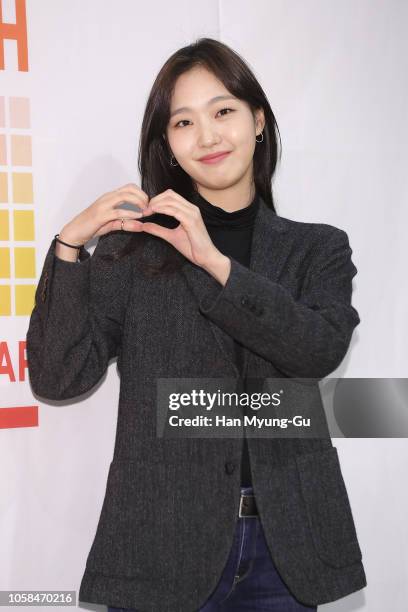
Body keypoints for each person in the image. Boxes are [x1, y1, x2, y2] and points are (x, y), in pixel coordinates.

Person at [26, 38, 367, 611]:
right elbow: (58, 378)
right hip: (159, 545)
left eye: (224, 111)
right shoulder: (130, 254)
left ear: (259, 121)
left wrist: (215, 262)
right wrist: (69, 245)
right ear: (168, 144)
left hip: (287, 549)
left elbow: (317, 350)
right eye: (184, 121)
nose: (207, 136)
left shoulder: (318, 249)